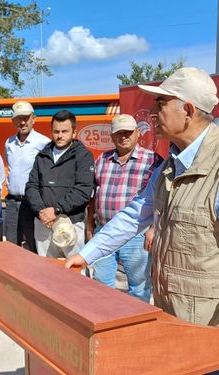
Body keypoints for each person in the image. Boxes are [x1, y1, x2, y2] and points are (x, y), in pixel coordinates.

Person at [66, 67, 219, 375]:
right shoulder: (171, 164)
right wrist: (85, 254)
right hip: (181, 331)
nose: (154, 114)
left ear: (188, 110)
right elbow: (136, 213)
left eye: (161, 104)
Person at [86, 114, 161, 303]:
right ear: (112, 136)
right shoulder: (102, 159)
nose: (124, 136)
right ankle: (106, 323)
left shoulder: (153, 160)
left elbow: (163, 199)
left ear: (137, 133)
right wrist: (90, 224)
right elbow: (94, 195)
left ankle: (136, 328)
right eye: (119, 133)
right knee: (101, 285)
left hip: (136, 234)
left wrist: (154, 228)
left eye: (128, 132)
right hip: (105, 230)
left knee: (139, 287)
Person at [25, 110, 94, 258]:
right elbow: (31, 186)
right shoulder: (42, 155)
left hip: (71, 223)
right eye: (56, 131)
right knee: (45, 271)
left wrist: (56, 210)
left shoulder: (83, 156)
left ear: (74, 132)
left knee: (74, 272)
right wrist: (42, 212)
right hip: (44, 223)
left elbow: (83, 191)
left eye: (64, 131)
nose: (60, 135)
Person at [4, 101, 50, 252]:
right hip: (11, 202)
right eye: (18, 118)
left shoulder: (44, 143)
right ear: (13, 121)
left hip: (32, 203)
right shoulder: (9, 142)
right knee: (11, 247)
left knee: (35, 246)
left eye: (26, 118)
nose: (22, 122)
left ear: (33, 118)